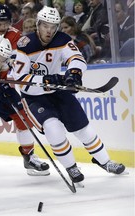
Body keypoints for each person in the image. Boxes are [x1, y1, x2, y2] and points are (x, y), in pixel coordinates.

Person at [12, 6, 126, 184]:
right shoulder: (25, 44)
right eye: (45, 26)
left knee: (83, 129)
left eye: (53, 26)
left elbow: (77, 59)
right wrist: (47, 79)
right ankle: (71, 166)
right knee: (53, 128)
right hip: (34, 96)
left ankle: (104, 161)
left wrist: (74, 74)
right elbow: (20, 78)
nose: (49, 30)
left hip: (58, 90)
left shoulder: (63, 39)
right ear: (38, 25)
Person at [0, 4, 50, 176]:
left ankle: (29, 157)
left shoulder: (15, 35)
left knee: (23, 117)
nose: (2, 27)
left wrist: (7, 75)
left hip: (0, 82)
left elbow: (16, 61)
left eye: (5, 23)